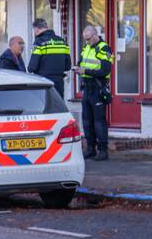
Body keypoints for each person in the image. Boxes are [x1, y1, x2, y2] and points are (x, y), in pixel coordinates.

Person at [74, 25, 113, 161]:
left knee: (99, 121)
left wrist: (86, 71)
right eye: (85, 39)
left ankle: (103, 150)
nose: (87, 42)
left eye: (89, 39)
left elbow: (105, 70)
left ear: (95, 35)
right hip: (87, 88)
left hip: (98, 88)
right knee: (87, 120)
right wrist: (77, 67)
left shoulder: (104, 48)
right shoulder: (86, 47)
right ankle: (90, 148)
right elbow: (81, 62)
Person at [27, 18, 71, 97]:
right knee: (58, 105)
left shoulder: (39, 42)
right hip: (59, 81)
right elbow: (68, 66)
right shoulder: (62, 41)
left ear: (36, 29)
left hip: (44, 81)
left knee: (47, 106)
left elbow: (32, 66)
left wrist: (30, 69)